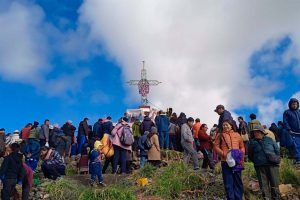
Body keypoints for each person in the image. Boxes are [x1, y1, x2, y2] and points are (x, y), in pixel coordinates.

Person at [214, 120, 245, 200]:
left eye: (227, 125)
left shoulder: (237, 135)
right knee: (228, 182)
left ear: (231, 126)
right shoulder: (220, 135)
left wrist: (241, 155)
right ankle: (231, 198)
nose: (225, 126)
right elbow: (215, 147)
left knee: (238, 181)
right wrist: (223, 154)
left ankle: (238, 198)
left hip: (237, 160)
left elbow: (242, 146)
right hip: (225, 161)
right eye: (223, 125)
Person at [248, 125, 280, 200]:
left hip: (272, 165)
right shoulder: (252, 143)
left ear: (262, 132)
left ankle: (276, 198)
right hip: (260, 166)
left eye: (257, 132)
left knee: (274, 184)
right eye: (254, 132)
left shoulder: (270, 140)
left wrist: (276, 159)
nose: (256, 133)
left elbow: (277, 151)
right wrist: (257, 160)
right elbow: (250, 155)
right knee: (263, 185)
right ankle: (266, 198)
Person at [283, 98, 300, 164]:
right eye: (293, 104)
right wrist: (289, 129)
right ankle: (298, 160)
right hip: (293, 133)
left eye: (296, 104)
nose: (295, 105)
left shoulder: (299, 111)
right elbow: (285, 121)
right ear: (290, 105)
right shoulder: (287, 112)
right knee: (296, 146)